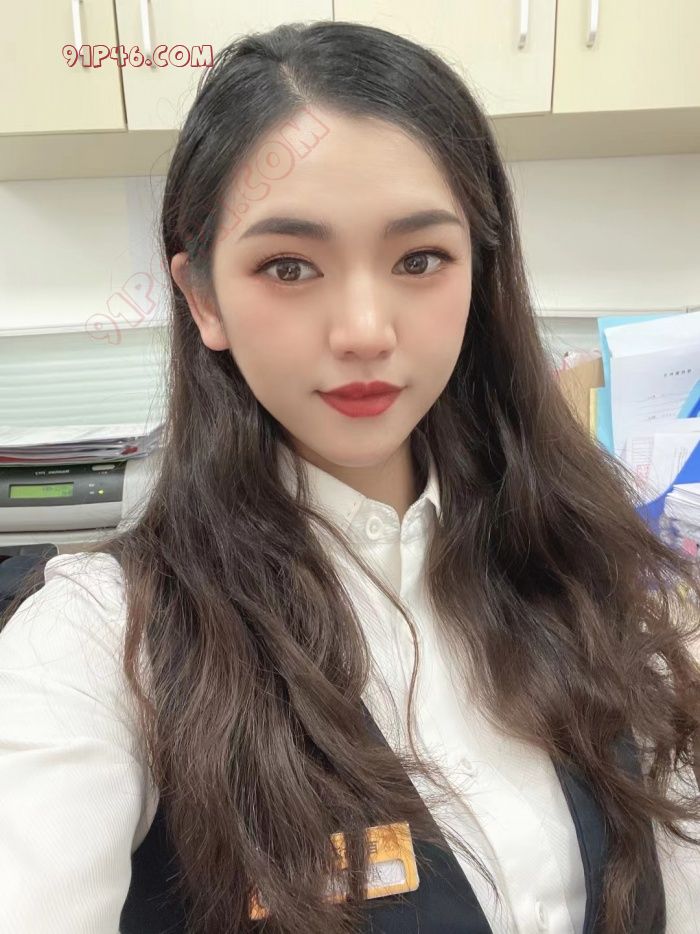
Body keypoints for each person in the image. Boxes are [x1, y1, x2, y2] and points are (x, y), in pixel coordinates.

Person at [1, 19, 699, 934]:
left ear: (479, 275)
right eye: (289, 266)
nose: (365, 329)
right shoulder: (101, 641)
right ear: (203, 297)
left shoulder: (584, 571)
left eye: (420, 260)